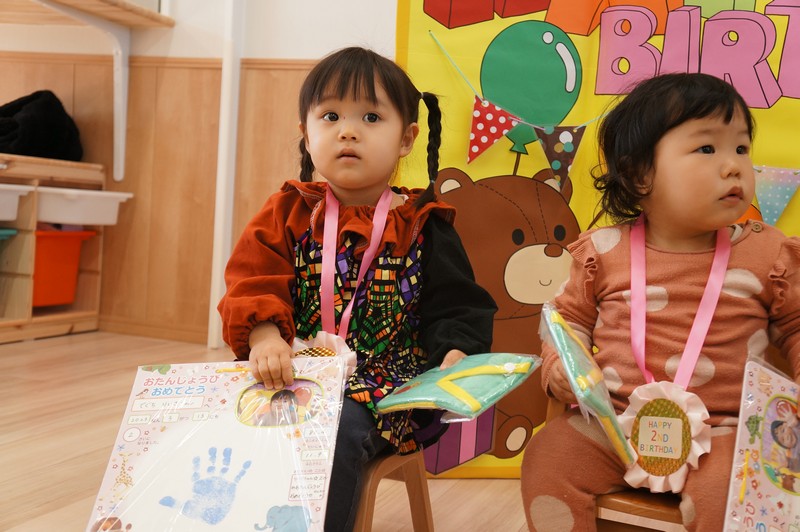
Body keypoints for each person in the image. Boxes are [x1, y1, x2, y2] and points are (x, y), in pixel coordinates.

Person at [218, 46, 496, 531]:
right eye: (330, 116)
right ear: (307, 134)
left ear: (406, 138)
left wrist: (456, 354)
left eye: (371, 117)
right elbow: (253, 279)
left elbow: (457, 307)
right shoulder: (286, 212)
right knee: (225, 422)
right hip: (289, 371)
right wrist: (264, 336)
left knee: (334, 430)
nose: (348, 131)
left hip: (386, 389)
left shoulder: (424, 225)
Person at [520, 72, 800, 531]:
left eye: (741, 148)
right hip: (616, 423)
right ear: (639, 175)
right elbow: (565, 322)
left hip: (726, 432)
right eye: (707, 148)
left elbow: (795, 326)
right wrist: (560, 368)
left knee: (732, 489)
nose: (734, 166)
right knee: (549, 457)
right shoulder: (603, 252)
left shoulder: (768, 253)